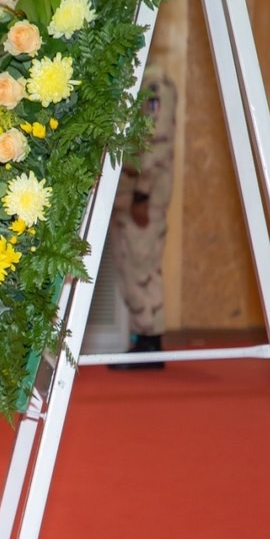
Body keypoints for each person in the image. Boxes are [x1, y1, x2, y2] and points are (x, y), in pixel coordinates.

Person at [109, 64, 177, 370]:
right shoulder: (134, 79)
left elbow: (154, 143)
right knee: (130, 268)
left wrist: (142, 195)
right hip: (127, 196)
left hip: (142, 199)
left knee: (141, 268)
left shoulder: (154, 84)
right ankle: (142, 340)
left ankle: (150, 344)